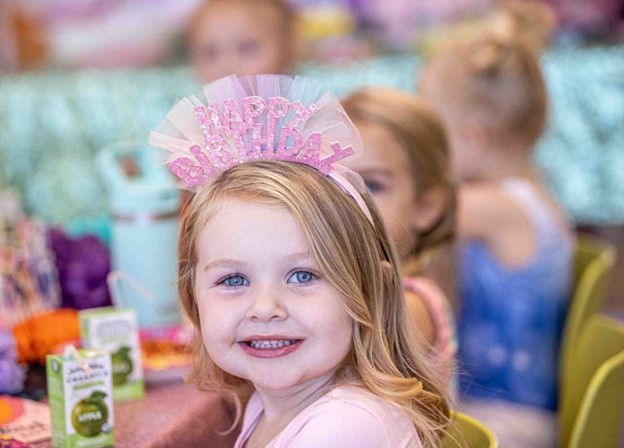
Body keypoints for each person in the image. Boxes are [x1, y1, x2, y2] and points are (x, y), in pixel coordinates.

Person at [149, 74, 450, 447]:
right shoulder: (272, 403)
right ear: (192, 298)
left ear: (371, 290)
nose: (265, 308)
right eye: (233, 280)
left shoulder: (348, 426)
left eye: (302, 275)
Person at [420, 2, 574, 415]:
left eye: (432, 134)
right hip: (517, 408)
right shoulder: (529, 195)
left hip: (507, 420)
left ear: (472, 138)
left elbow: (404, 221)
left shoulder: (493, 207)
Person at [342, 88, 457, 387]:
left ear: (426, 207)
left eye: (372, 184)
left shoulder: (413, 305)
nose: (348, 201)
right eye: (332, 181)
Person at [187, 0, 298, 84]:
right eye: (210, 53)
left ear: (287, 47)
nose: (227, 66)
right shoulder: (192, 111)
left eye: (246, 48)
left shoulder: (309, 106)